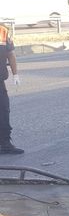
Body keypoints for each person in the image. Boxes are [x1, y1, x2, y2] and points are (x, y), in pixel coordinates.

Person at [0, 23, 23, 154]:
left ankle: (4, 143)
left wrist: (15, 74)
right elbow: (11, 54)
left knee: (3, 111)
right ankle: (4, 143)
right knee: (3, 110)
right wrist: (15, 74)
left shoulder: (3, 30)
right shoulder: (2, 30)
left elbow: (11, 54)